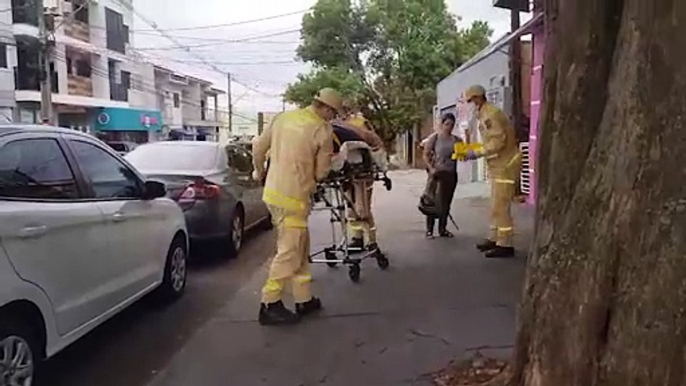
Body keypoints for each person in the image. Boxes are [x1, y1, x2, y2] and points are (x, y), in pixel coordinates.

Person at [252, 87, 343, 326]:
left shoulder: (283, 118)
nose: (332, 117)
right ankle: (270, 303)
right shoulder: (322, 130)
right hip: (294, 198)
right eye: (332, 112)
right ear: (325, 108)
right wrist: (328, 168)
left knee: (301, 247)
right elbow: (321, 172)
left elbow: (258, 148)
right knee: (290, 251)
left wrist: (260, 171)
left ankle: (304, 298)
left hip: (273, 194)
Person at [462, 85, 522, 258]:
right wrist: (469, 150)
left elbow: (498, 142)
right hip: (498, 165)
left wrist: (476, 153)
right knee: (495, 205)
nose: (471, 104)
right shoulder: (484, 114)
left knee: (501, 206)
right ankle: (494, 238)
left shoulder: (491, 115)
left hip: (506, 165)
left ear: (478, 98)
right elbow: (490, 141)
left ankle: (505, 244)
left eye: (471, 101)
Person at [334, 100, 384, 252]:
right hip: (346, 171)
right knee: (351, 206)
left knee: (363, 208)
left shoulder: (360, 122)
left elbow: (374, 141)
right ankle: (357, 238)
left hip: (363, 170)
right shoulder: (333, 125)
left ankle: (371, 240)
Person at [422, 113, 462, 239]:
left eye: (451, 125)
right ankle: (429, 230)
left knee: (446, 202)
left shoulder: (456, 140)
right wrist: (431, 168)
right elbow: (426, 154)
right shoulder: (435, 138)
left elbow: (464, 153)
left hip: (450, 174)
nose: (449, 127)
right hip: (437, 174)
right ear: (442, 124)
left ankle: (442, 229)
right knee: (432, 202)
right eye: (446, 124)